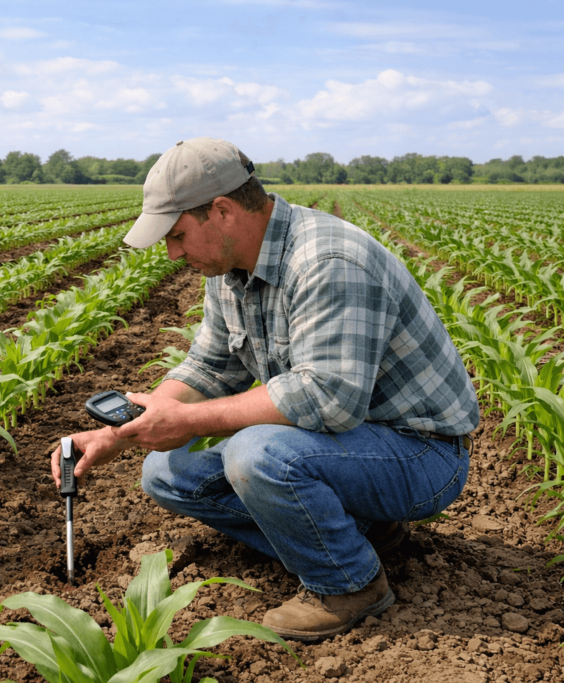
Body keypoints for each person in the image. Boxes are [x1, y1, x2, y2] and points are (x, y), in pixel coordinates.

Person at [50, 138, 479, 641]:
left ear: (223, 211)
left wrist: (188, 422)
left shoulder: (328, 261)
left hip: (419, 454)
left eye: (178, 234)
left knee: (259, 454)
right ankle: (363, 533)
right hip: (346, 447)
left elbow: (326, 399)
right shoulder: (229, 270)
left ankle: (349, 585)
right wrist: (118, 434)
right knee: (166, 472)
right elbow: (207, 368)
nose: (172, 252)